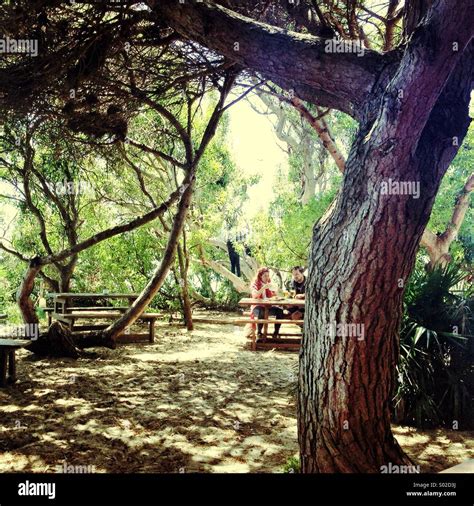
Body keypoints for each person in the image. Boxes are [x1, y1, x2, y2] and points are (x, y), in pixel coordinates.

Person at [250, 267, 284, 340]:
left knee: (280, 311)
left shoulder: (270, 284)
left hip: (268, 307)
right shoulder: (255, 284)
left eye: (268, 276)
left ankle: (276, 333)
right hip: (257, 308)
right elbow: (255, 295)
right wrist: (263, 288)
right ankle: (259, 333)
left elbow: (274, 295)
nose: (267, 277)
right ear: (260, 276)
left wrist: (276, 294)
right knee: (261, 311)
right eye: (265, 276)